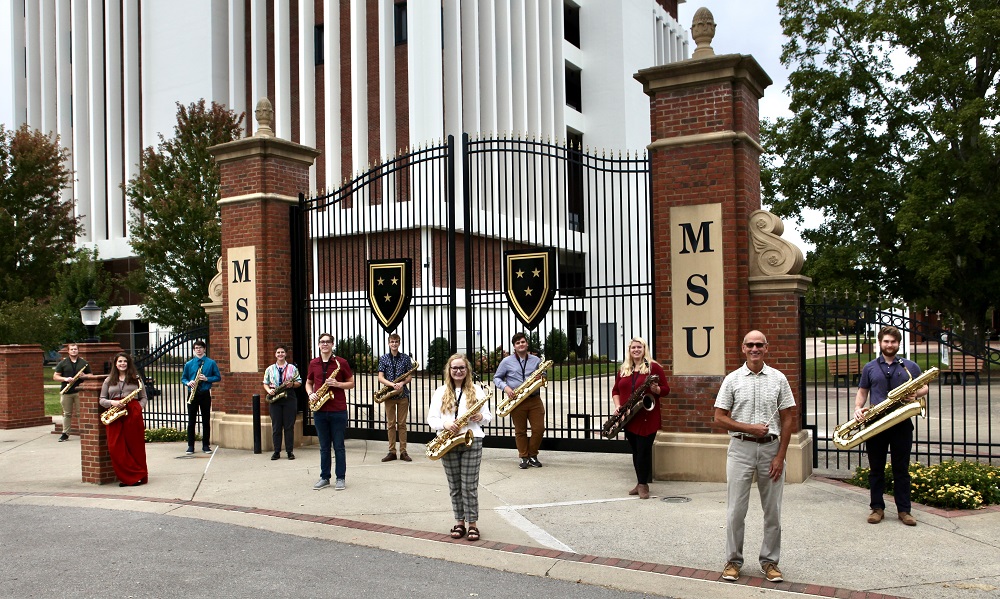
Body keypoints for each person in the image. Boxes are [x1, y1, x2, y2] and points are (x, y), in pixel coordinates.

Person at [713, 330, 796, 583]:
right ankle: (733, 561)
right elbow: (719, 417)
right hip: (741, 450)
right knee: (736, 511)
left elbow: (789, 417)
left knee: (773, 512)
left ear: (766, 348)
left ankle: (770, 562)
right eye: (750, 345)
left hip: (771, 449)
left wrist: (780, 456)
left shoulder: (779, 379)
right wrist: (749, 428)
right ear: (743, 348)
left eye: (759, 344)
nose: (755, 349)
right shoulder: (733, 379)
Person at [854, 325, 928, 527]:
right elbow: (862, 391)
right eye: (886, 341)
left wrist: (916, 394)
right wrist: (858, 408)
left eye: (893, 342)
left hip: (901, 423)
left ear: (898, 344)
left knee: (901, 469)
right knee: (876, 469)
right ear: (880, 342)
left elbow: (925, 386)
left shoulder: (909, 366)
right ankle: (877, 508)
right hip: (876, 422)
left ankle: (904, 511)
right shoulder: (869, 367)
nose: (889, 345)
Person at [428, 353, 492, 542]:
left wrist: (481, 418)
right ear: (449, 370)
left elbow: (488, 416)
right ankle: (459, 523)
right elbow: (431, 419)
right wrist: (445, 425)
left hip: (472, 440)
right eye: (454, 368)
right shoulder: (440, 392)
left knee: (469, 485)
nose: (458, 371)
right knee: (455, 486)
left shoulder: (477, 391)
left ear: (467, 370)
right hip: (448, 441)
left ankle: (473, 524)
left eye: (461, 368)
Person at [610, 336, 668, 499]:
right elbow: (615, 391)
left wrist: (656, 390)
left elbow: (666, 389)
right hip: (629, 417)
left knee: (643, 451)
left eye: (639, 347)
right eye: (633, 347)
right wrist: (617, 406)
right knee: (635, 451)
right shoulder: (624, 369)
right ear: (629, 350)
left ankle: (643, 485)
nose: (636, 350)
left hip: (647, 417)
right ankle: (640, 482)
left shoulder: (654, 368)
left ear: (644, 349)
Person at [305, 333, 355, 491]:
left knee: (339, 446)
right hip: (319, 409)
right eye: (322, 342)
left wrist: (337, 384)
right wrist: (310, 393)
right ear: (319, 345)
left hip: (338, 409)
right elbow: (308, 382)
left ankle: (341, 478)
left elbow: (352, 383)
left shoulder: (341, 362)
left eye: (327, 342)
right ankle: (324, 477)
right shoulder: (314, 363)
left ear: (332, 344)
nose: (324, 344)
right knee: (324, 446)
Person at [493, 332, 546, 469]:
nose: (521, 344)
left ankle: (533, 455)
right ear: (514, 346)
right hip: (516, 400)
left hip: (534, 399)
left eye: (523, 342)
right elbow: (497, 378)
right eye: (518, 343)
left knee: (539, 429)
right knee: (520, 431)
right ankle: (524, 457)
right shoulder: (506, 362)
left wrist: (540, 377)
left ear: (527, 344)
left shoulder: (536, 360)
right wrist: (506, 388)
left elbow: (544, 374)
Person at [99, 352, 148, 487]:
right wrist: (112, 403)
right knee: (115, 447)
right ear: (116, 363)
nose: (122, 363)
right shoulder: (109, 380)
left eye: (125, 361)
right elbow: (101, 400)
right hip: (115, 413)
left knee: (135, 446)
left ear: (128, 363)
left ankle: (137, 476)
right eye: (120, 361)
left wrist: (138, 408)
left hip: (132, 412)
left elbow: (144, 397)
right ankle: (126, 476)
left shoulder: (136, 378)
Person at [376, 333, 415, 462]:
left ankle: (403, 452)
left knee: (402, 424)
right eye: (392, 342)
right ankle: (392, 451)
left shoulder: (405, 358)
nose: (394, 344)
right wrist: (392, 384)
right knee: (391, 424)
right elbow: (380, 377)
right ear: (388, 343)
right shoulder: (383, 358)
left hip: (403, 394)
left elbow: (409, 376)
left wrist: (402, 383)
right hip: (389, 394)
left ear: (399, 343)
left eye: (396, 341)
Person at [180, 340, 222, 455]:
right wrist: (188, 382)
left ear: (204, 349)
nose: (198, 350)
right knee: (191, 421)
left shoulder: (211, 363)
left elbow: (218, 377)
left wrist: (207, 378)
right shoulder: (189, 364)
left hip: (204, 393)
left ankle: (206, 445)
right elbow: (183, 378)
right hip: (192, 394)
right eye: (196, 348)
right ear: (194, 350)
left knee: (205, 420)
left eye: (200, 348)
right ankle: (190, 445)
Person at [53, 343, 100, 442]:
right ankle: (65, 434)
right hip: (66, 391)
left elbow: (91, 375)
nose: (74, 351)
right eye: (72, 349)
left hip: (79, 391)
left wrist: (84, 376)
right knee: (67, 414)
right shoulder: (63, 363)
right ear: (68, 351)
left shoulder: (84, 363)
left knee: (80, 413)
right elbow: (55, 376)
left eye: (75, 349)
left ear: (78, 350)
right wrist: (65, 379)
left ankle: (82, 433)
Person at [262, 346, 302, 461]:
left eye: (282, 352)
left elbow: (299, 382)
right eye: (278, 352)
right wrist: (269, 390)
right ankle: (276, 451)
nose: (280, 354)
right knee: (276, 426)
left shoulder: (292, 368)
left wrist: (292, 384)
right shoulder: (269, 369)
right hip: (275, 395)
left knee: (289, 426)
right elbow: (265, 383)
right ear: (275, 354)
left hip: (289, 396)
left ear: (285, 354)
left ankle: (289, 451)